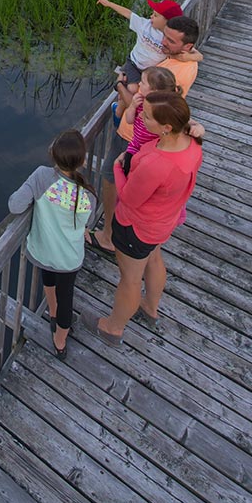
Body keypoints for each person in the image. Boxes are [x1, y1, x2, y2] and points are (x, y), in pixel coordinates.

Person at [80, 91, 202, 344]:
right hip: (163, 221)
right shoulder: (192, 145)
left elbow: (129, 196)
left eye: (147, 117)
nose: (142, 120)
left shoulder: (158, 163)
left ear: (167, 127)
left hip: (137, 227)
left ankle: (112, 329)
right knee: (154, 259)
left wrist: (117, 166)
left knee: (130, 279)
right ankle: (150, 308)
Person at [91, 14, 202, 254]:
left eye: (171, 41)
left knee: (111, 176)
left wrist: (121, 87)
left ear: (187, 46)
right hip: (142, 137)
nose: (164, 43)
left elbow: (148, 109)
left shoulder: (179, 72)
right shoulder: (181, 60)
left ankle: (109, 235)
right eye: (165, 36)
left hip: (133, 138)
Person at [8, 130, 94, 361]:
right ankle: (60, 340)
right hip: (69, 259)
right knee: (67, 296)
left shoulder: (41, 177)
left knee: (49, 278)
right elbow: (84, 222)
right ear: (83, 161)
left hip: (43, 251)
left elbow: (15, 206)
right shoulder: (88, 196)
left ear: (53, 156)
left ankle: (53, 313)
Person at [96, 0, 184, 110]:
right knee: (133, 89)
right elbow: (128, 14)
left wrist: (197, 56)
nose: (151, 16)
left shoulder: (170, 37)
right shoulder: (145, 25)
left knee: (145, 95)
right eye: (152, 13)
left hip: (150, 71)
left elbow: (185, 49)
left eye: (156, 15)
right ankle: (122, 112)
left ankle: (123, 109)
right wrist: (108, 3)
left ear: (168, 22)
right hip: (134, 64)